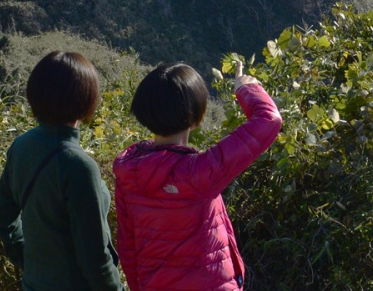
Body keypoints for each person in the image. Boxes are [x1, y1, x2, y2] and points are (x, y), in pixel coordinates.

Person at [113, 61, 281, 291]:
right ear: (196, 118)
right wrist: (246, 88)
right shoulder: (199, 174)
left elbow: (128, 248)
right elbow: (269, 120)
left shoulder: (128, 171)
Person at [0, 50, 124, 291]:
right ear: (85, 99)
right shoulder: (79, 166)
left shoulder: (21, 146)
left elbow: (2, 217)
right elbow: (95, 257)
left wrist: (30, 262)